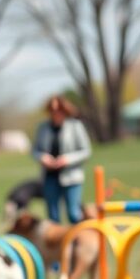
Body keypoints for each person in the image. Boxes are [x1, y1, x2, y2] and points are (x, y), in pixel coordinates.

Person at [31, 95, 91, 224]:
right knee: (53, 217)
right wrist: (43, 157)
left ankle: (78, 241)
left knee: (73, 213)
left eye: (58, 109)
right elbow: (34, 150)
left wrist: (67, 159)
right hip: (50, 176)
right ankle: (57, 243)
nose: (55, 112)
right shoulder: (43, 128)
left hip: (71, 176)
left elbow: (86, 151)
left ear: (64, 109)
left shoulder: (75, 126)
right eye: (52, 109)